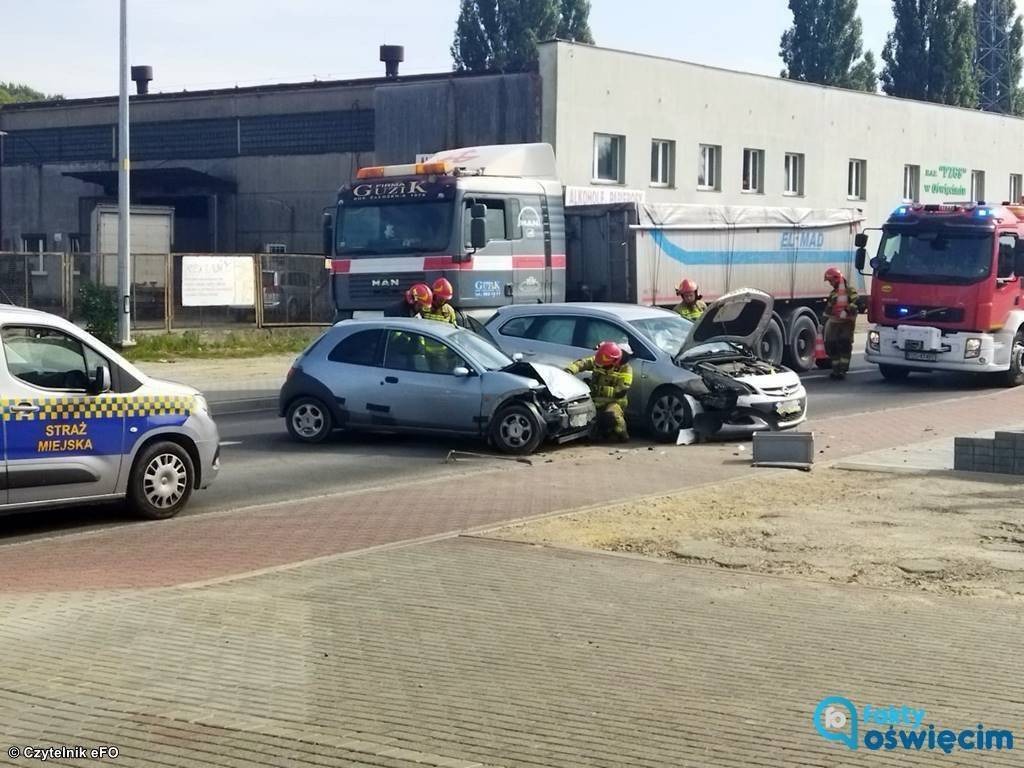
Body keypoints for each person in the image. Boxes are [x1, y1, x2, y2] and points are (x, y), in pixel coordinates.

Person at [565, 341, 634, 442]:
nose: (601, 364)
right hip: (594, 399)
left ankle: (622, 435)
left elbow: (620, 391)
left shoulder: (626, 369)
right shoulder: (601, 359)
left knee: (612, 416)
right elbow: (583, 363)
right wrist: (568, 371)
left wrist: (597, 389)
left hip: (613, 402)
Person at [822, 267, 859, 380]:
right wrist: (822, 323)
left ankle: (842, 370)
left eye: (831, 281)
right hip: (835, 322)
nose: (830, 283)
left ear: (836, 279)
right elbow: (828, 308)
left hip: (847, 322)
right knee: (832, 344)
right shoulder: (833, 293)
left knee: (844, 344)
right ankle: (836, 370)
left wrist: (846, 310)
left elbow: (857, 301)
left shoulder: (850, 291)